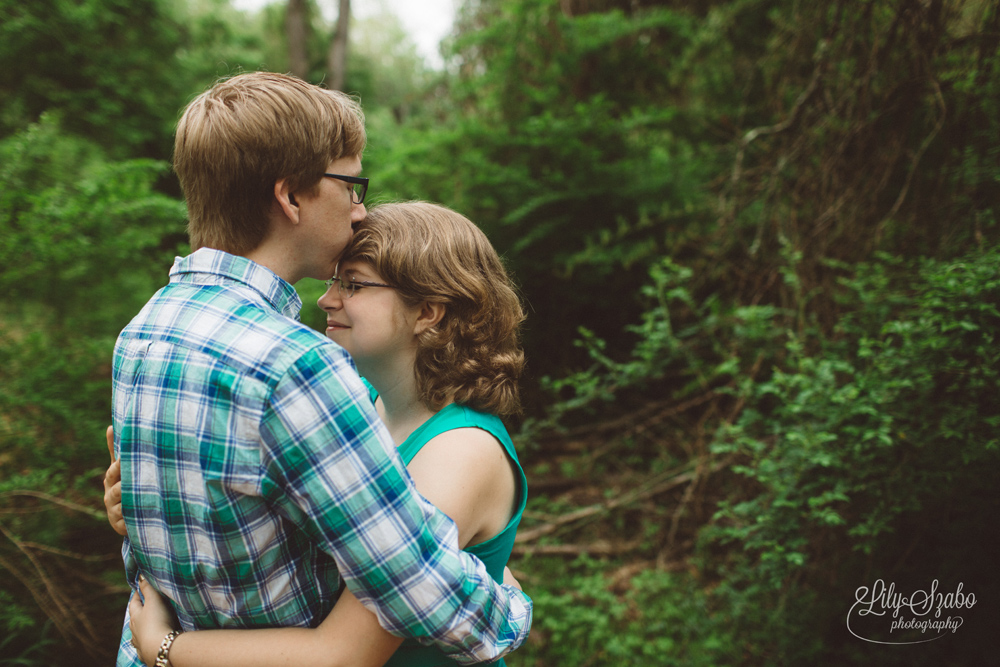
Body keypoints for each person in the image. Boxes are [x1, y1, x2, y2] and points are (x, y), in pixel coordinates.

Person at [108, 72, 531, 667]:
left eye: (354, 286)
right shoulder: (298, 367)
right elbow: (421, 590)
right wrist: (510, 605)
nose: (359, 209)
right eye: (352, 185)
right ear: (291, 197)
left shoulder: (144, 331)